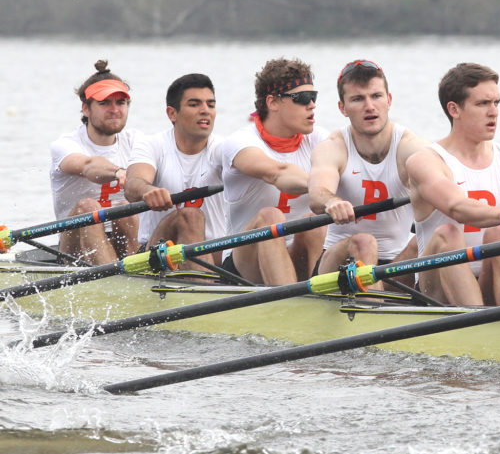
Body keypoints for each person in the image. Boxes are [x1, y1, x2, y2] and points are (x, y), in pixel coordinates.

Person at [406, 62, 500, 306]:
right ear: (454, 109)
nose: (494, 112)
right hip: (435, 288)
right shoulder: (425, 160)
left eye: (496, 103)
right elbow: (456, 206)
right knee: (448, 234)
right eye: (482, 104)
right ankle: (479, 322)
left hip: (492, 279)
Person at [308, 59, 425, 288]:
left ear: (389, 101)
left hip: (396, 266)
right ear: (342, 108)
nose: (369, 106)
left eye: (376, 96)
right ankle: (375, 311)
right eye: (358, 99)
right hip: (338, 264)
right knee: (364, 242)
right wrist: (332, 201)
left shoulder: (411, 146)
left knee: (431, 241)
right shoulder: (333, 147)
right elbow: (317, 194)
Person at [220, 58, 331, 286]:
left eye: (314, 97)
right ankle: (290, 306)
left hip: (297, 257)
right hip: (243, 267)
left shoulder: (320, 139)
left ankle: (309, 299)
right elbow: (277, 173)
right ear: (273, 102)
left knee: (314, 221)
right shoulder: (240, 142)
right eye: (302, 99)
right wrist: (322, 191)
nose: (312, 105)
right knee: (271, 217)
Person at [125, 73, 227, 270]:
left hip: (217, 254)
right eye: (194, 104)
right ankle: (206, 289)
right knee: (190, 216)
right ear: (172, 113)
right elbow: (133, 184)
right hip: (159, 252)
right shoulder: (151, 145)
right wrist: (147, 191)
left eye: (211, 105)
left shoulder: (225, 148)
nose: (205, 111)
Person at [49, 60, 140, 265]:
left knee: (125, 208)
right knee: (88, 207)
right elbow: (88, 165)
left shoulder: (137, 143)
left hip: (124, 241)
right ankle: (118, 281)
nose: (114, 109)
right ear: (86, 109)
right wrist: (118, 172)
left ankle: (135, 275)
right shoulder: (65, 145)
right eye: (104, 103)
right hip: (74, 249)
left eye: (120, 102)